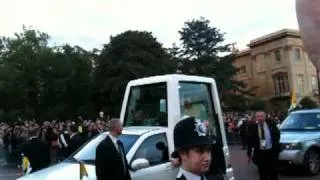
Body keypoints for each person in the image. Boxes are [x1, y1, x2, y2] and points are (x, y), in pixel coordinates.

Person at [247, 111, 281, 180]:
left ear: (265, 117)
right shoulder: (252, 127)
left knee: (273, 172)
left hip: (271, 152)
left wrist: (276, 147)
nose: (260, 118)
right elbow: (250, 141)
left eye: (261, 116)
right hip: (260, 153)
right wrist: (249, 153)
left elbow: (277, 135)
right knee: (263, 173)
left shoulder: (271, 124)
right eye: (258, 116)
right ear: (256, 118)